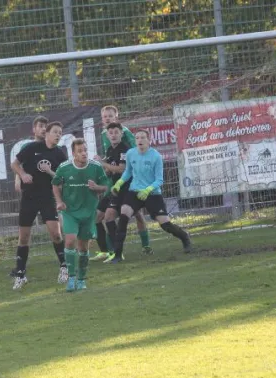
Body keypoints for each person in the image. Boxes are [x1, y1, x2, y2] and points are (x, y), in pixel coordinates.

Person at [109, 130, 192, 263]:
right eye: (137, 138)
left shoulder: (156, 156)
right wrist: (119, 183)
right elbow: (128, 172)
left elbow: (159, 180)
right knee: (124, 216)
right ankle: (117, 254)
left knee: (165, 224)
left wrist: (147, 190)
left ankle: (185, 237)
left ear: (149, 140)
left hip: (152, 193)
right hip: (134, 192)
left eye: (142, 138)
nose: (139, 140)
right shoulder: (131, 153)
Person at [10, 121, 68, 290]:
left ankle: (64, 268)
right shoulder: (32, 147)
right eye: (55, 132)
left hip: (47, 197)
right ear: (47, 133)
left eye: (60, 133)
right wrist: (23, 174)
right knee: (24, 237)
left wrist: (49, 172)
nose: (58, 135)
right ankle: (20, 274)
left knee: (56, 234)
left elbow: (62, 178)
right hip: (29, 197)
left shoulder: (59, 154)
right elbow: (14, 164)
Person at [90, 106, 151, 261]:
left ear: (116, 117)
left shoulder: (124, 133)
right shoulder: (106, 135)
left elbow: (133, 154)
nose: (107, 118)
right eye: (104, 116)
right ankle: (109, 251)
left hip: (131, 179)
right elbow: (111, 157)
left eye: (110, 116)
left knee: (135, 213)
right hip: (115, 181)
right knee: (103, 215)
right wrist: (104, 166)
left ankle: (145, 245)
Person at [52, 138, 108, 292]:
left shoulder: (96, 167)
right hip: (70, 211)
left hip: (89, 213)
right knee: (70, 241)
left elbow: (106, 186)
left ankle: (81, 279)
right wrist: (59, 201)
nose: (84, 153)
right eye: (80, 151)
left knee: (83, 247)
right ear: (73, 154)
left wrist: (97, 187)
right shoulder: (64, 168)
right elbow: (55, 184)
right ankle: (71, 278)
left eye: (85, 150)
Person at [14, 116, 48, 193]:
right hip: (31, 189)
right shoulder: (26, 147)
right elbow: (19, 165)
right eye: (41, 126)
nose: (44, 129)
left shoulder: (53, 147)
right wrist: (18, 179)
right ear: (34, 130)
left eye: (46, 127)